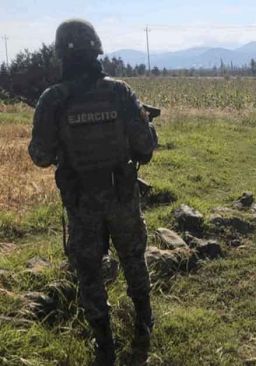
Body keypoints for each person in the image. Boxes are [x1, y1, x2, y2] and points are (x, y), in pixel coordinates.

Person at [28, 19, 157, 364]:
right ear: (96, 49)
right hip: (121, 197)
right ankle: (144, 328)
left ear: (61, 55)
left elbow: (40, 156)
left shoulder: (52, 99)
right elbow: (145, 147)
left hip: (82, 202)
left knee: (89, 271)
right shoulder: (120, 92)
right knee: (133, 260)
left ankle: (104, 345)